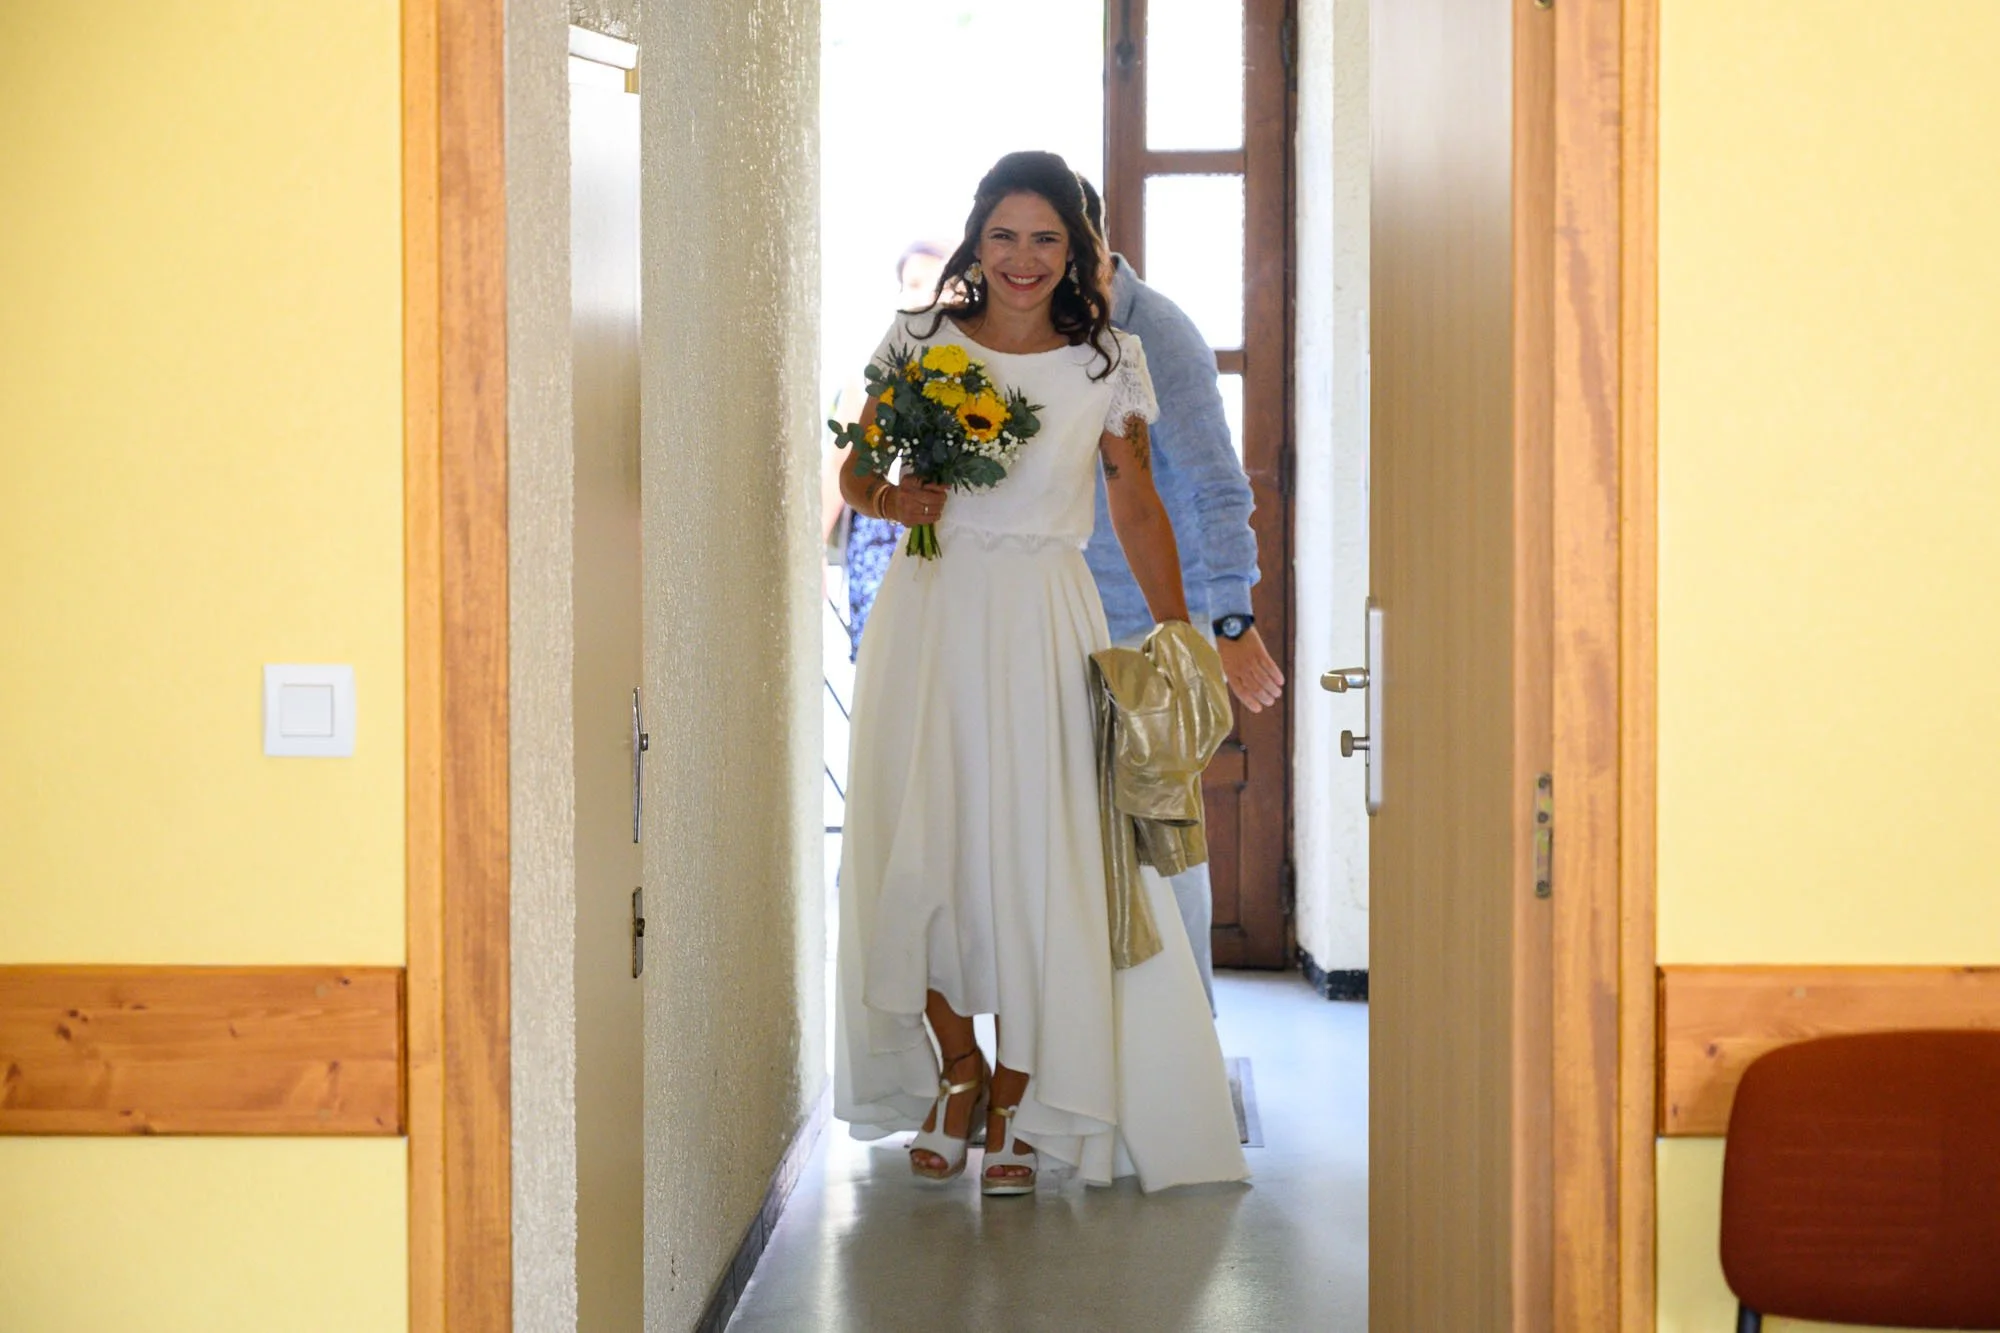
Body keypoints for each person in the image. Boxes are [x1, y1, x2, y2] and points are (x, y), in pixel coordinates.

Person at [832, 151, 1247, 1196]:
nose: (1022, 259)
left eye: (1045, 239)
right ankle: (956, 1070)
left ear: (1077, 251)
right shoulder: (919, 339)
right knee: (913, 848)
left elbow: (1138, 503)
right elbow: (855, 470)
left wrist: (1176, 634)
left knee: (1033, 859)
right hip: (928, 617)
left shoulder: (1107, 360)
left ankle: (1019, 1095)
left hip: (1045, 619)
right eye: (1004, 236)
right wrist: (895, 504)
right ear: (977, 239)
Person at [1077, 177, 1287, 1015]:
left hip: (1150, 628)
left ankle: (1182, 1055)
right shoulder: (1043, 334)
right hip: (1058, 618)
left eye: (1059, 242)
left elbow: (1216, 488)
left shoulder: (1156, 332)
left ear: (1094, 238)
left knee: (1163, 851)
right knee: (1076, 852)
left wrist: (1231, 619)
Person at [821, 241, 952, 660]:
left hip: (943, 540)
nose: (917, 295)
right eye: (908, 284)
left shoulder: (963, 365)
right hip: (880, 536)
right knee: (888, 653)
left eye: (928, 284)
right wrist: (814, 548)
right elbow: (843, 462)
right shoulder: (879, 366)